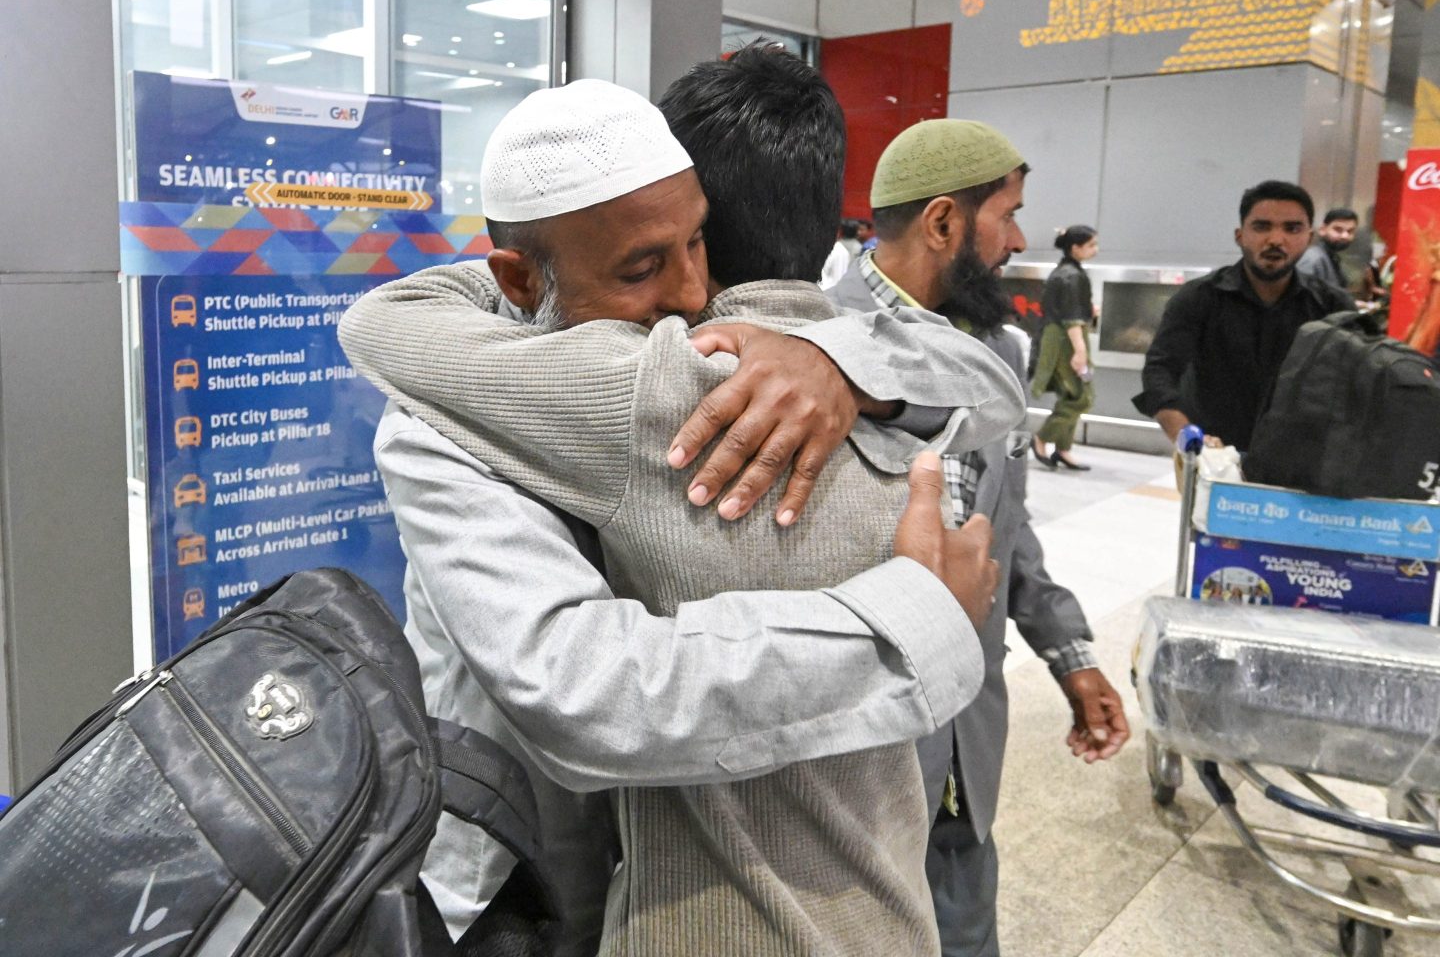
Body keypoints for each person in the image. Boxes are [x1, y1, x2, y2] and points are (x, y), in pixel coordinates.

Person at [342, 55, 1026, 955]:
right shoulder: (446, 424)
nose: (694, 293)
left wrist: (845, 364)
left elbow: (980, 373)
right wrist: (908, 621)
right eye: (641, 268)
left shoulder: (766, 362)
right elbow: (579, 690)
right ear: (515, 281)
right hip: (522, 872)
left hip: (660, 879)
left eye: (698, 242)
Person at [827, 119, 1130, 957]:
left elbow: (1011, 523)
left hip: (967, 731)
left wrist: (1069, 654)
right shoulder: (816, 344)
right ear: (944, 224)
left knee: (962, 923)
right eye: (1009, 215)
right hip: (862, 750)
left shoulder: (995, 350)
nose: (1021, 240)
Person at [1135, 180, 1354, 451]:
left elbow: (1355, 383)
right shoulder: (1199, 297)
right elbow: (1160, 371)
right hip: (1213, 455)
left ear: (1309, 238)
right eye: (1262, 226)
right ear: (1240, 235)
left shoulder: (1333, 305)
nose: (1276, 239)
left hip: (1301, 461)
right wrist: (1186, 436)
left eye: (1292, 228)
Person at [1031, 225, 1099, 471]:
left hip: (1064, 337)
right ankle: (1043, 437)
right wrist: (1080, 350)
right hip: (1066, 340)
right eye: (1091, 245)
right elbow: (1070, 317)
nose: (1095, 250)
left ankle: (1063, 448)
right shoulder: (1071, 275)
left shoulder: (1067, 272)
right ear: (1075, 248)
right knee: (1081, 396)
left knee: (1073, 394)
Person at [1296, 206, 1358, 293]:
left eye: (1350, 231)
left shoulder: (1331, 257)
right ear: (1322, 230)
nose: (1345, 236)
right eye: (1338, 230)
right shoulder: (1313, 259)